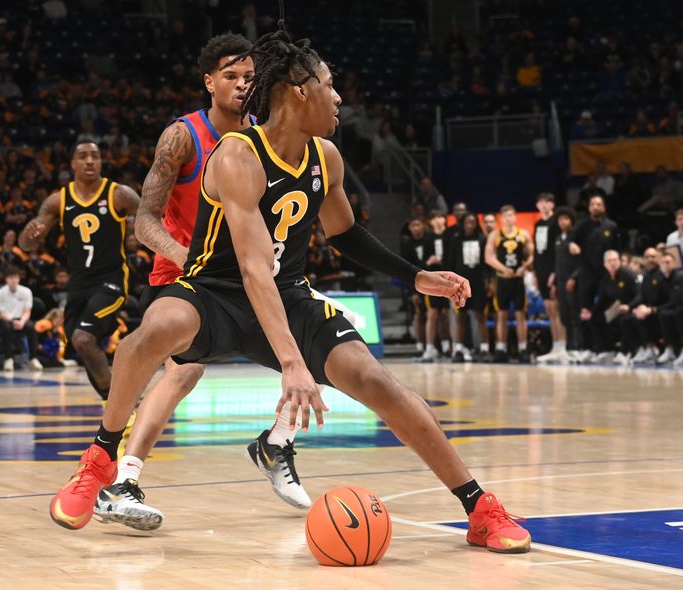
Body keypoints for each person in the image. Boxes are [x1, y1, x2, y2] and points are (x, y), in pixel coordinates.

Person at [49, 27, 531, 554]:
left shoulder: (326, 156)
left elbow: (345, 234)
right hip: (215, 290)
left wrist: (415, 276)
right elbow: (253, 269)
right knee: (157, 329)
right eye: (331, 85)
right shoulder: (237, 155)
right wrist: (293, 363)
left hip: (290, 295)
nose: (340, 97)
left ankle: (479, 509)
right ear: (300, 90)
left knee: (376, 381)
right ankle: (100, 458)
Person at [18, 140, 140, 398]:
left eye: (94, 156)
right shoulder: (58, 200)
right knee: (82, 345)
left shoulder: (118, 193)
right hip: (78, 284)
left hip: (111, 279)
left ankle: (121, 403)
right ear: (72, 164)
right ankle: (117, 403)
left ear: (101, 162)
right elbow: (26, 245)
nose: (89, 161)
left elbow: (152, 217)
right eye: (83, 156)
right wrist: (30, 234)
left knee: (83, 339)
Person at [567, 194, 619, 363]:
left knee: (607, 312)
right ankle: (587, 348)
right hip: (586, 275)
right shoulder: (582, 226)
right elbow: (570, 241)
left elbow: (617, 250)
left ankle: (607, 348)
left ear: (603, 207)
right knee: (585, 312)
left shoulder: (611, 226)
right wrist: (572, 245)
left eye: (599, 204)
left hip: (605, 276)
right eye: (593, 204)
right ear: (589, 207)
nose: (596, 207)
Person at [485, 205, 534, 363]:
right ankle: (501, 348)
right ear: (501, 218)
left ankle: (523, 348)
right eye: (506, 216)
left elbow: (533, 254)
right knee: (501, 314)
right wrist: (504, 269)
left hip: (518, 280)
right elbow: (488, 257)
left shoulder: (523, 234)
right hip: (502, 279)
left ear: (515, 217)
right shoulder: (495, 235)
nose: (509, 218)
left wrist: (524, 267)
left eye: (511, 215)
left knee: (521, 314)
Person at [580, 250, 637, 364]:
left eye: (615, 260)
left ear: (619, 261)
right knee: (594, 319)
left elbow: (639, 295)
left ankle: (624, 352)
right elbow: (602, 300)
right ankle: (603, 350)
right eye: (609, 261)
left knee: (624, 320)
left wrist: (629, 306)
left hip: (629, 309)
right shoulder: (605, 278)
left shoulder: (628, 275)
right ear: (605, 264)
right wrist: (591, 312)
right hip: (614, 310)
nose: (612, 263)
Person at [447, 212, 489, 361]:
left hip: (478, 284)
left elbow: (486, 264)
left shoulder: (482, 239)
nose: (470, 225)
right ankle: (458, 349)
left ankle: (484, 349)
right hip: (460, 284)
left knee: (480, 315)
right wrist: (452, 284)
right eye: (467, 223)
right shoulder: (456, 240)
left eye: (472, 222)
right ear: (463, 224)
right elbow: (451, 263)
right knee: (461, 317)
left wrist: (488, 282)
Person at [533, 194, 567, 363]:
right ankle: (555, 345)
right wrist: (534, 273)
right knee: (549, 309)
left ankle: (563, 345)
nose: (544, 205)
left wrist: (555, 272)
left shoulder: (555, 223)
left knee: (557, 308)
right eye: (541, 202)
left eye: (547, 202)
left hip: (554, 271)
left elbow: (558, 250)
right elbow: (537, 252)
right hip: (540, 271)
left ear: (552, 204)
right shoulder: (538, 224)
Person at [0, 266, 42, 371]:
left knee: (31, 327)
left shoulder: (26, 291)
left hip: (21, 319)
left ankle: (33, 358)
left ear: (19, 278)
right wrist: (12, 321)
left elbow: (27, 311)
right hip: (6, 320)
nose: (13, 280)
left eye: (15, 277)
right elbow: (1, 313)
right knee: (6, 328)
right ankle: (8, 359)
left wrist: (22, 321)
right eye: (10, 278)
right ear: (6, 279)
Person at [422, 210, 451, 361]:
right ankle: (429, 347)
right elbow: (423, 261)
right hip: (433, 279)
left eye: (440, 217)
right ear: (430, 222)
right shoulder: (428, 238)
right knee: (432, 313)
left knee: (445, 315)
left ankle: (447, 346)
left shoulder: (450, 235)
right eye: (434, 218)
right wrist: (429, 262)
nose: (438, 220)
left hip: (448, 279)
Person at [552, 207, 578, 361]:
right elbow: (557, 262)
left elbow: (582, 261)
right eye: (560, 219)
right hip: (560, 281)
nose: (563, 222)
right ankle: (568, 348)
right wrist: (555, 282)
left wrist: (574, 278)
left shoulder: (576, 236)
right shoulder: (558, 238)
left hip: (573, 282)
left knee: (575, 315)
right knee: (565, 315)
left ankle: (577, 347)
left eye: (566, 219)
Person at [401, 217, 428, 358]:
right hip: (415, 285)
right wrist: (412, 291)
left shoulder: (428, 240)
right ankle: (420, 345)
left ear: (423, 225)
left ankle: (434, 345)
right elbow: (405, 270)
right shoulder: (407, 245)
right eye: (413, 225)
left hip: (431, 282)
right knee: (418, 315)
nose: (416, 228)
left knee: (433, 315)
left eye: (418, 224)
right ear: (409, 228)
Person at [656, 252, 683, 367]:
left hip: (680, 307)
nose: (665, 265)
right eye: (662, 263)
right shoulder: (660, 279)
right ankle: (669, 350)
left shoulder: (680, 276)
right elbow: (656, 298)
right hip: (672, 308)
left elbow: (676, 300)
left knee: (678, 312)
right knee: (663, 314)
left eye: (668, 262)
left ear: (675, 263)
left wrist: (653, 309)